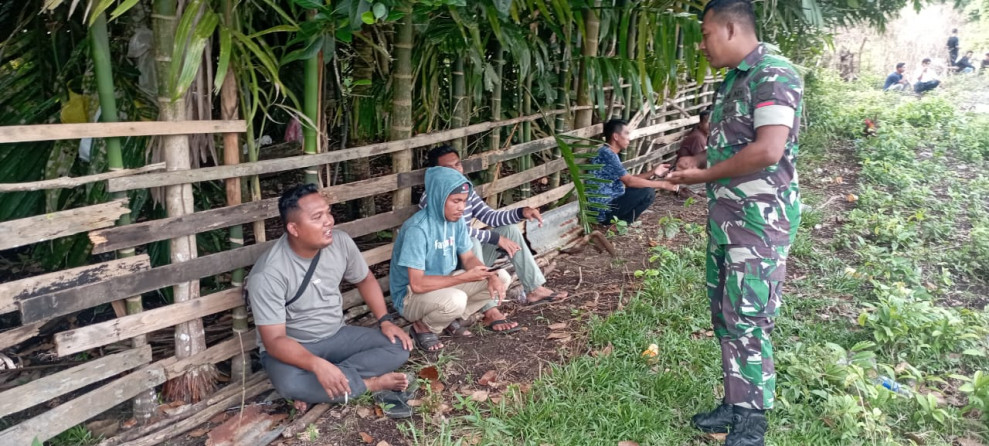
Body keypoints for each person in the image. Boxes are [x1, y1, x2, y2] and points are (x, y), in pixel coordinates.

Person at [665, 0, 802, 444]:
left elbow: (768, 150)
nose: (702, 44)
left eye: (704, 34)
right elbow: (732, 147)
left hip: (759, 221)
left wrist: (702, 174)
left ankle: (752, 421)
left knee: (749, 314)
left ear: (728, 29)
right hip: (727, 217)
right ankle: (736, 400)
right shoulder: (733, 81)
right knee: (726, 313)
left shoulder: (774, 74)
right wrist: (696, 159)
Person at [246, 184, 415, 418]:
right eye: (317, 217)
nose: (329, 221)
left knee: (398, 347)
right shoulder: (269, 273)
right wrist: (315, 364)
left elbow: (365, 279)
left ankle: (326, 384)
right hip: (295, 346)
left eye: (328, 212)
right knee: (289, 384)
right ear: (294, 228)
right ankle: (371, 384)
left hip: (337, 335)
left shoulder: (340, 242)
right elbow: (274, 341)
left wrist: (385, 320)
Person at [420, 146, 568, 306]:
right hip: (448, 263)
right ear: (436, 172)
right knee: (472, 240)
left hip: (470, 258)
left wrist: (522, 212)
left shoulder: (465, 191)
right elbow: (456, 232)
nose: (456, 171)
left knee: (509, 230)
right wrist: (496, 238)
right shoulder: (431, 199)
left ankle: (534, 289)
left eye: (458, 165)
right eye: (449, 168)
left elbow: (490, 217)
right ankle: (489, 309)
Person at [390, 166, 517, 352]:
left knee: (502, 277)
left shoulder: (454, 222)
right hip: (410, 297)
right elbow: (417, 285)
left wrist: (491, 276)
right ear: (439, 198)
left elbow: (469, 257)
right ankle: (422, 327)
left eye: (464, 201)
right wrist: (463, 278)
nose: (462, 208)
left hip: (442, 288)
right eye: (456, 201)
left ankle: (447, 319)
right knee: (456, 300)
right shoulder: (417, 229)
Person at [587, 118, 681, 225]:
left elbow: (627, 179)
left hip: (609, 204)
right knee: (647, 193)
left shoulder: (608, 152)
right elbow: (629, 181)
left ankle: (620, 224)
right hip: (604, 210)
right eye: (626, 134)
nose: (629, 139)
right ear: (616, 136)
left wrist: (653, 172)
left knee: (644, 190)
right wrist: (662, 184)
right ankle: (622, 224)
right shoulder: (607, 154)